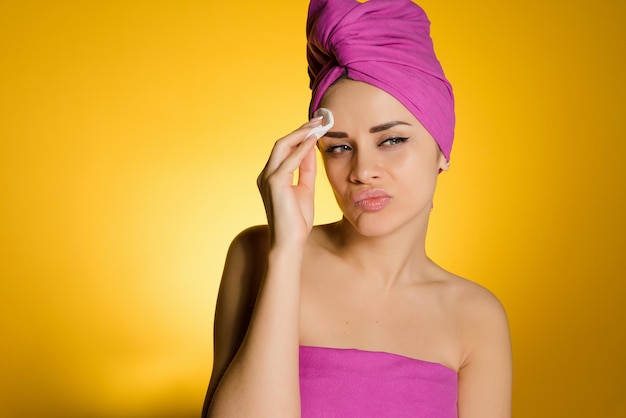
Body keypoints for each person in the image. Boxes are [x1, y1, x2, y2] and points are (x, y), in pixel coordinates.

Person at [202, 0, 512, 416]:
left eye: (392, 140)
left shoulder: (476, 317)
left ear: (442, 149)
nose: (363, 171)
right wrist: (287, 253)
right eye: (340, 147)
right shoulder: (259, 254)